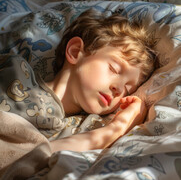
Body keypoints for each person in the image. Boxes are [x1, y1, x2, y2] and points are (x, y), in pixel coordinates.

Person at [0, 9, 156, 153]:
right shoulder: (16, 68)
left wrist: (118, 126)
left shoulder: (81, 127)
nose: (119, 89)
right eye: (114, 69)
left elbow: (41, 154)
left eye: (128, 90)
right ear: (75, 52)